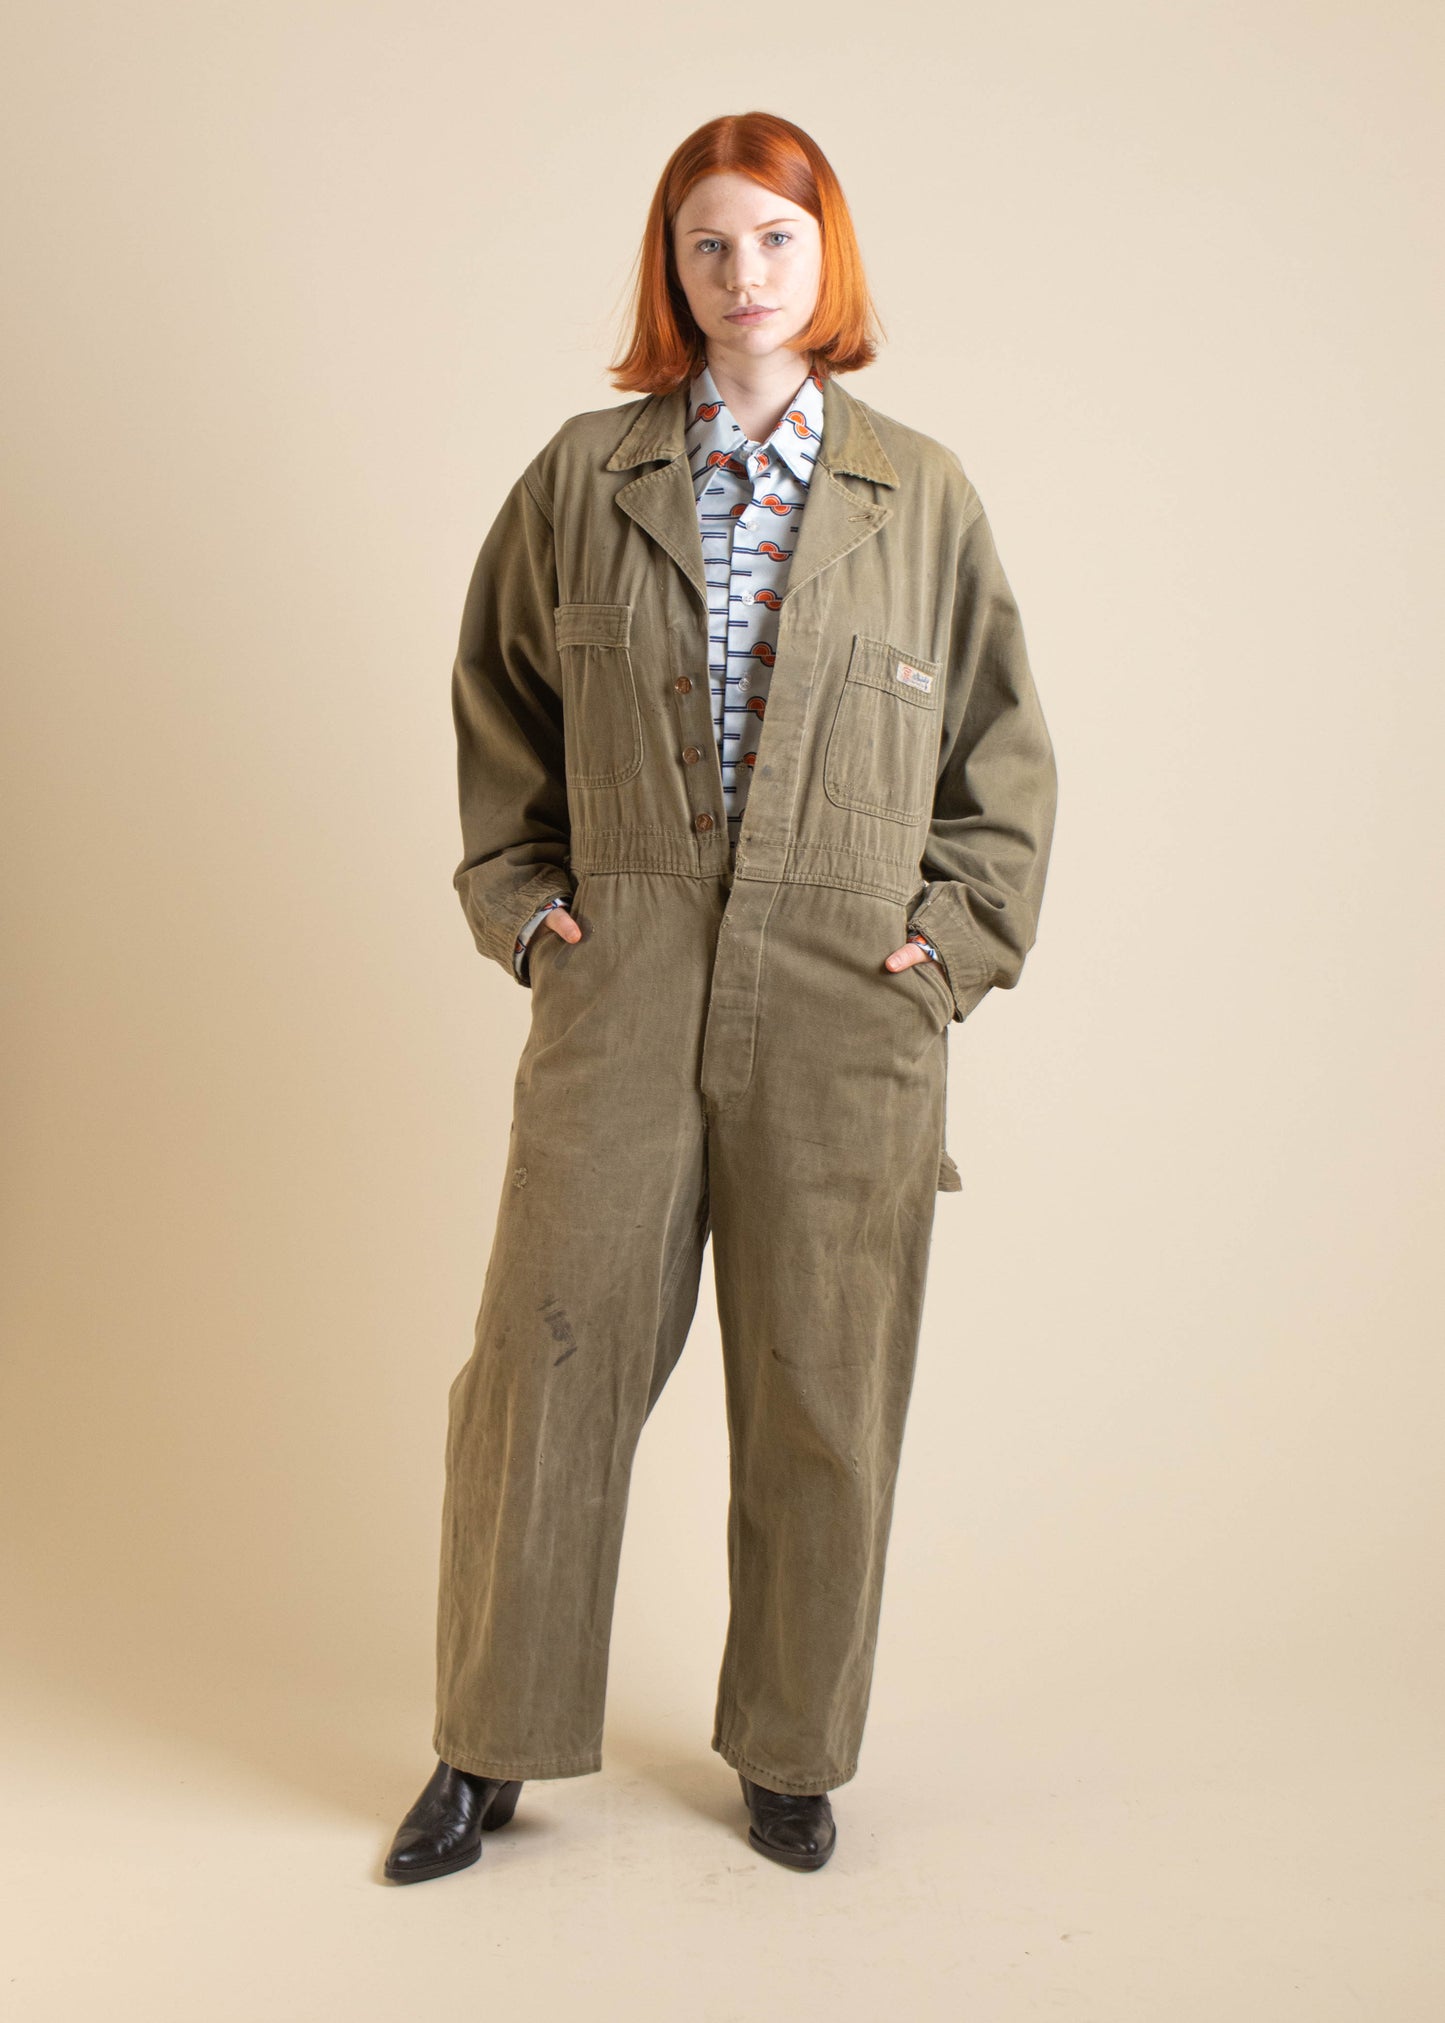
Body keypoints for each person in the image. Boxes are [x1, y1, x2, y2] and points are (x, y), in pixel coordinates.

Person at [384, 110, 1057, 1884]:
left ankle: (790, 1751)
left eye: (774, 237)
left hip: (844, 998)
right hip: (624, 973)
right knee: (543, 1363)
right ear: (668, 272)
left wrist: (948, 948)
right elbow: (497, 708)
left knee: (824, 1381)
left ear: (825, 256)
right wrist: (526, 908)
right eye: (707, 243)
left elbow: (1001, 759)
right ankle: (485, 1743)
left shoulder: (922, 496)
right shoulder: (581, 477)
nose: (742, 273)